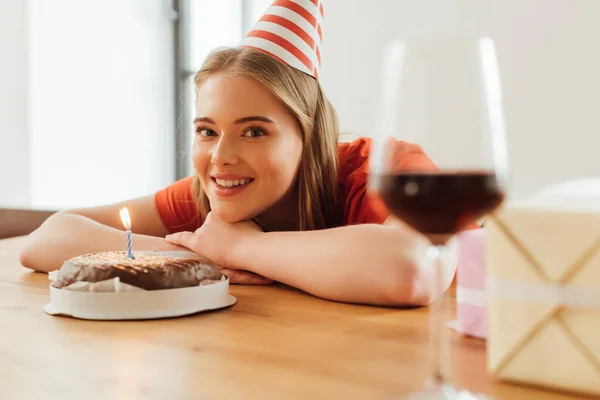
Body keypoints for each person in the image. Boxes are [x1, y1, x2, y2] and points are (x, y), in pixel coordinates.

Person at [19, 0, 457, 307]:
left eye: (253, 131)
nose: (221, 156)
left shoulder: (388, 169)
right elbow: (47, 240)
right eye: (207, 131)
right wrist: (200, 256)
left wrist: (244, 248)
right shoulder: (211, 194)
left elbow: (415, 270)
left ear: (310, 136)